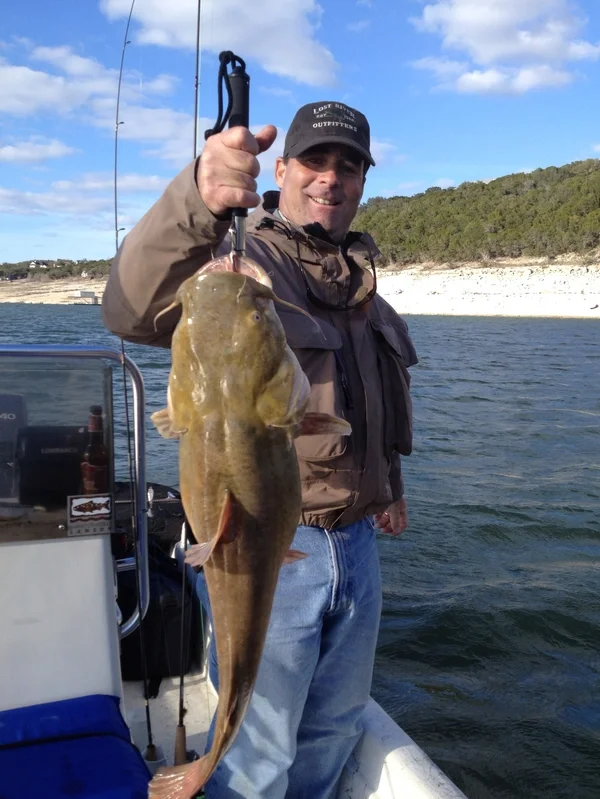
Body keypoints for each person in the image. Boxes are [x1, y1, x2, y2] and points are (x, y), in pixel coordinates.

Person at [102, 100, 418, 799]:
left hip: (359, 544)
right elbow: (129, 308)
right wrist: (200, 199)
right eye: (314, 161)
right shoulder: (242, 261)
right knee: (259, 749)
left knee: (334, 729)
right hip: (265, 535)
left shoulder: (363, 286)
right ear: (281, 170)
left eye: (348, 166)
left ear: (363, 181)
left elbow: (374, 401)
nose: (330, 178)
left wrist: (389, 486)